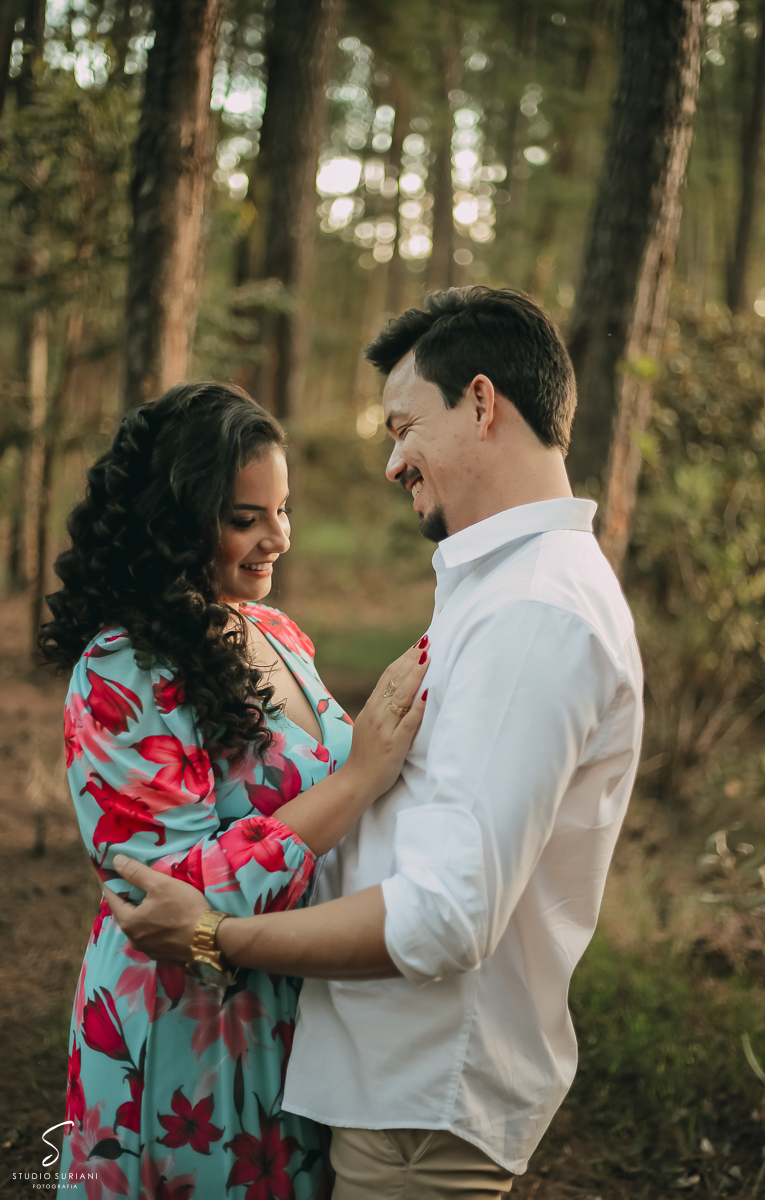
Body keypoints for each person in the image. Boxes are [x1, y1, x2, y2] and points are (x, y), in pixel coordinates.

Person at [106, 286, 645, 1200]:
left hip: (421, 1108)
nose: (394, 460)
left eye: (404, 426)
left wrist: (216, 936)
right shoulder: (507, 585)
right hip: (386, 1089)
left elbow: (444, 915)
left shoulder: (534, 613)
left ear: (481, 403)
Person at [40, 382, 429, 1200]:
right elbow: (164, 899)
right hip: (190, 1032)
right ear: (176, 523)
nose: (277, 538)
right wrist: (359, 778)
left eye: (282, 511)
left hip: (293, 1006)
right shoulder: (124, 667)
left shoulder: (274, 632)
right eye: (244, 518)